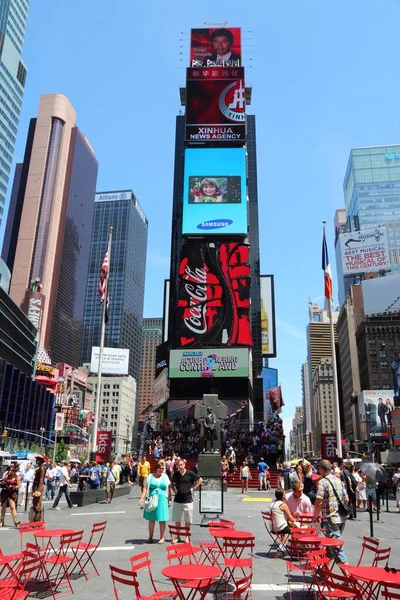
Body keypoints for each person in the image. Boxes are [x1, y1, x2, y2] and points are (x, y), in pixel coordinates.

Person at [312, 460, 349, 565]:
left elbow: (318, 501)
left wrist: (315, 516)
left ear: (321, 469)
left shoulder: (323, 482)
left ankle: (349, 577)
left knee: (336, 547)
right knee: (331, 544)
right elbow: (346, 499)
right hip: (341, 518)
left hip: (331, 517)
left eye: (319, 469)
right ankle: (324, 571)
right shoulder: (339, 481)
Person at [138, 461, 172, 544]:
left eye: (162, 468)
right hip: (152, 499)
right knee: (151, 519)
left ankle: (162, 537)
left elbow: (169, 488)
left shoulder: (165, 476)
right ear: (156, 469)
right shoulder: (150, 477)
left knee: (162, 518)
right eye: (160, 468)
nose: (161, 470)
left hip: (162, 499)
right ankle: (150, 537)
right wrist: (142, 498)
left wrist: (170, 499)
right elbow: (145, 488)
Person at [171, 459, 203, 542]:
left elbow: (200, 480)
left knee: (187, 520)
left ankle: (187, 537)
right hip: (178, 500)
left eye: (181, 465)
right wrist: (174, 491)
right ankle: (177, 537)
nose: (180, 467)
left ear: (184, 464)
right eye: (178, 465)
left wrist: (194, 488)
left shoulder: (190, 473)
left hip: (188, 500)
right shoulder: (176, 474)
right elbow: (171, 483)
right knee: (177, 520)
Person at [0, 462, 21, 527]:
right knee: (3, 507)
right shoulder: (6, 475)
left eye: (14, 470)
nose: (12, 471)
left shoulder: (17, 477)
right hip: (5, 491)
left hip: (12, 492)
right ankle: (1, 521)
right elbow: (3, 481)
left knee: (12, 507)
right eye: (11, 470)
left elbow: (18, 485)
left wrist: (13, 487)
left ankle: (15, 521)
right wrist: (5, 480)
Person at [31, 455, 46, 522]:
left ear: (41, 460)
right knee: (35, 503)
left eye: (38, 459)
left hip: (38, 487)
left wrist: (38, 490)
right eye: (36, 459)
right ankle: (35, 519)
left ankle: (38, 520)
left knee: (38, 504)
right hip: (35, 486)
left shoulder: (42, 468)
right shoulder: (38, 467)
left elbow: (41, 479)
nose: (36, 460)